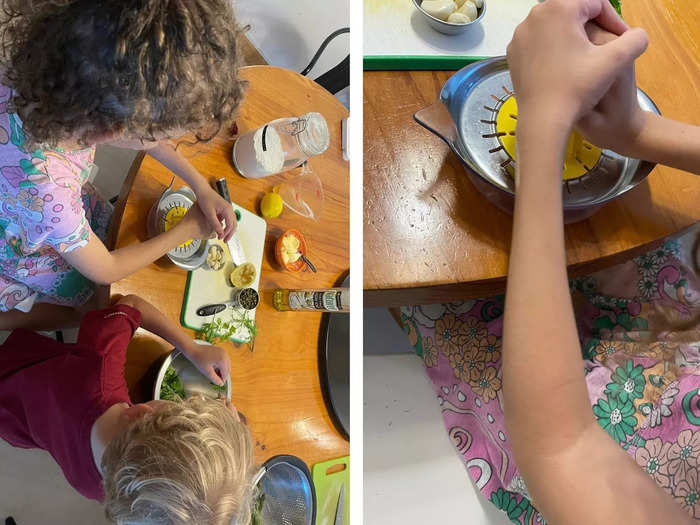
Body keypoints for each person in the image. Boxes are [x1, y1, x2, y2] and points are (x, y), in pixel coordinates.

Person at [399, 0, 700, 522]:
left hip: (592, 453)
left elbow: (565, 449)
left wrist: (541, 123)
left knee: (445, 300)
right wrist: (634, 131)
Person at [0, 0, 243, 328]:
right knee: (84, 301)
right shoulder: (49, 194)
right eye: (155, 134)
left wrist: (199, 184)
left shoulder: (51, 75)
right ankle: (75, 316)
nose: (158, 141)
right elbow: (107, 270)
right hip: (30, 244)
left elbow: (144, 132)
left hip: (34, 205)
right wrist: (188, 230)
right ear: (110, 129)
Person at [0, 293, 256, 524]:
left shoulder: (100, 367)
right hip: (19, 424)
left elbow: (129, 304)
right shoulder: (106, 488)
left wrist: (191, 347)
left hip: (17, 373)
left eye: (179, 405)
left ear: (141, 412)